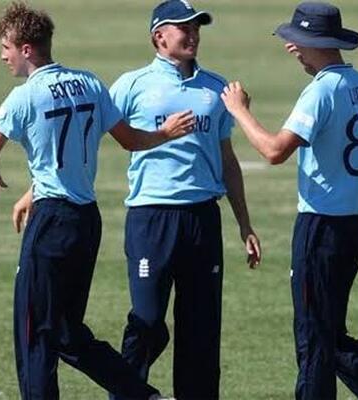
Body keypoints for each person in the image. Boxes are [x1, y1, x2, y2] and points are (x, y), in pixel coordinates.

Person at [0, 2, 195, 398]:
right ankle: (142, 395)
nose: (2, 55)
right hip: (86, 221)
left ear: (26, 49)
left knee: (33, 329)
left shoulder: (23, 97)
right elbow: (129, 140)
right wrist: (165, 134)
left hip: (51, 219)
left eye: (6, 47)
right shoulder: (89, 83)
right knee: (66, 330)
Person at [221, 2, 358, 399]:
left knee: (314, 339)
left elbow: (274, 151)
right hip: (354, 221)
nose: (292, 49)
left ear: (315, 42)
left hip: (321, 225)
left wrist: (239, 111)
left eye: (296, 41)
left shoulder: (321, 91)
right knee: (330, 336)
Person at [107, 1, 262, 398]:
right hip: (150, 218)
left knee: (201, 329)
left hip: (202, 220)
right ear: (159, 36)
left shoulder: (216, 89)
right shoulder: (131, 85)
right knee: (147, 322)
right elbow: (87, 137)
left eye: (196, 28)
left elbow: (227, 160)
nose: (193, 34)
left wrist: (244, 223)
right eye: (184, 28)